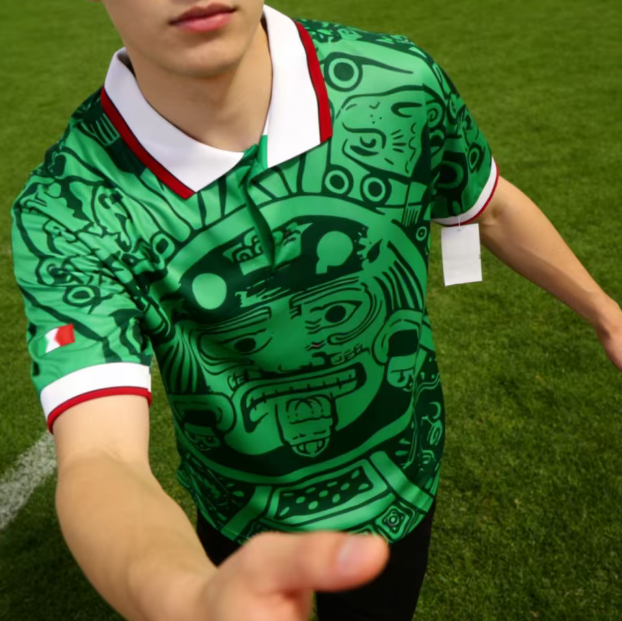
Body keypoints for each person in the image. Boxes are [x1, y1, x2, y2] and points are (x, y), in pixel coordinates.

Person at [10, 0, 622, 620]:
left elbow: (489, 207)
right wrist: (188, 597)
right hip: (238, 512)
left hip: (405, 478)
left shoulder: (397, 85)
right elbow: (102, 455)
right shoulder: (70, 210)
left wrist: (607, 313)